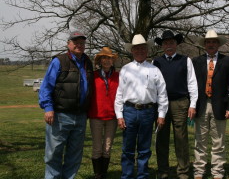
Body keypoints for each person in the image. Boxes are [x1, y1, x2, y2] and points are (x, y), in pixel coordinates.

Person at [39, 31, 94, 179]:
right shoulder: (59, 61)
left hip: (80, 116)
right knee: (53, 153)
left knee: (75, 154)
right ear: (68, 44)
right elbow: (46, 87)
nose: (79, 45)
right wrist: (48, 108)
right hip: (60, 115)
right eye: (76, 42)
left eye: (82, 42)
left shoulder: (87, 61)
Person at [114, 34, 169, 179]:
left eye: (143, 49)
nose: (140, 51)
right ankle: (127, 175)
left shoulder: (154, 70)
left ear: (147, 50)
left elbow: (162, 93)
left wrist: (161, 114)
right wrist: (119, 115)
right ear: (132, 51)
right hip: (129, 111)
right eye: (137, 49)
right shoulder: (126, 69)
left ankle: (142, 175)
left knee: (145, 149)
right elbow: (119, 93)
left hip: (148, 112)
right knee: (128, 148)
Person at [192, 30, 229, 179]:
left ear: (218, 44)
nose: (211, 44)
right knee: (200, 140)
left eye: (214, 42)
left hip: (220, 105)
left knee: (218, 141)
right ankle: (199, 171)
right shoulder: (196, 62)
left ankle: (217, 172)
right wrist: (191, 105)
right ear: (204, 45)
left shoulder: (228, 61)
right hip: (201, 105)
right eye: (208, 42)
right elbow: (191, 85)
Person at [153, 30, 198, 179]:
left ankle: (183, 172)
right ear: (162, 46)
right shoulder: (156, 62)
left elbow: (192, 83)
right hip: (162, 105)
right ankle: (163, 171)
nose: (169, 45)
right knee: (162, 139)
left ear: (176, 44)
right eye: (166, 43)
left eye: (171, 42)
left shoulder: (185, 60)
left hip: (180, 103)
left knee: (181, 139)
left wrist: (193, 104)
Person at [88, 47, 119, 179]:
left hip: (112, 117)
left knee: (107, 146)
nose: (107, 60)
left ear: (112, 61)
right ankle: (97, 174)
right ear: (100, 61)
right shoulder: (93, 76)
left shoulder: (118, 76)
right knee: (97, 147)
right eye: (104, 58)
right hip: (96, 116)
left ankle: (104, 173)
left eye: (109, 58)